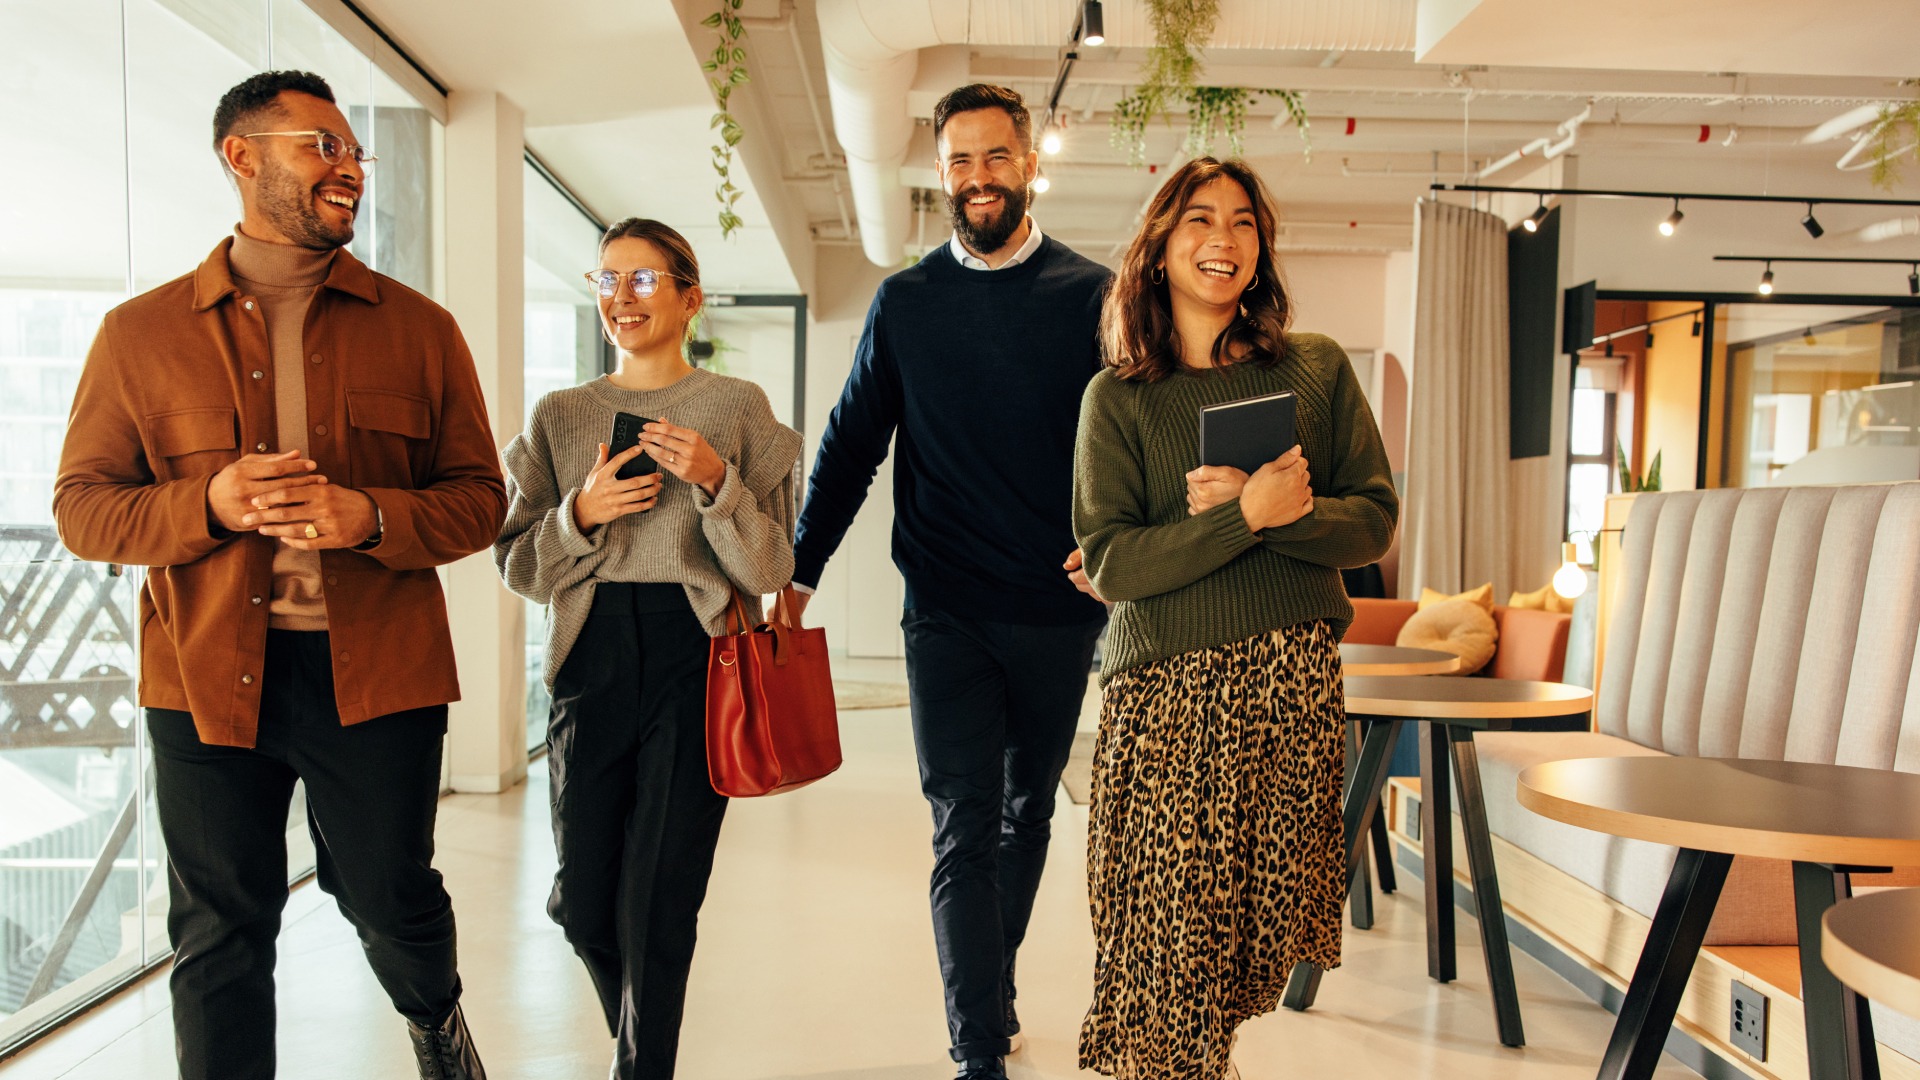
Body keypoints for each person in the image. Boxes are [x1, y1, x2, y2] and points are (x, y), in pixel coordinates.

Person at [52, 70, 505, 1080]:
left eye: (354, 151)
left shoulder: (420, 329)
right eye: (321, 146)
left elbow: (481, 499)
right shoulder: (140, 335)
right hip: (204, 678)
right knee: (220, 927)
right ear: (241, 156)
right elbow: (83, 509)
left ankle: (435, 1022)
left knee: (389, 895)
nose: (349, 167)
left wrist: (371, 516)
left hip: (379, 673)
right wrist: (208, 504)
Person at [787, 83, 1110, 1080]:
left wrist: (1119, 548)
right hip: (946, 610)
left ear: (1030, 165)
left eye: (996, 156)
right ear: (939, 175)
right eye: (960, 161)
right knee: (962, 823)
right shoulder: (907, 304)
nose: (978, 177)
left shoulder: (1094, 298)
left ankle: (992, 988)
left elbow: (1135, 439)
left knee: (1028, 813)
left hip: (1059, 611)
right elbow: (850, 446)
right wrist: (799, 573)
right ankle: (977, 1051)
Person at [1071, 157, 1398, 1080]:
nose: (1225, 239)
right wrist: (1245, 516)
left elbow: (1373, 521)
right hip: (1169, 699)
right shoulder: (1118, 398)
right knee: (1166, 957)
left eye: (1244, 221)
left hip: (1292, 692)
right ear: (1159, 248)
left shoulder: (1317, 369)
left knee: (1248, 950)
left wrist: (1288, 515)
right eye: (1200, 220)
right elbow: (1113, 561)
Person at [494, 217, 801, 1080]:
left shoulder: (737, 409)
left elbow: (771, 567)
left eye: (642, 280)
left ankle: (641, 1067)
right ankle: (638, 1042)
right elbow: (520, 568)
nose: (620, 298)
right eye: (606, 280)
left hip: (699, 658)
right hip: (588, 657)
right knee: (585, 907)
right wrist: (580, 514)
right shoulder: (560, 416)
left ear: (689, 299)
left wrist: (715, 481)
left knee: (660, 902)